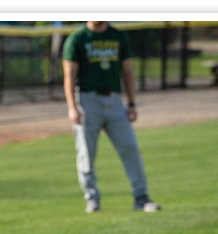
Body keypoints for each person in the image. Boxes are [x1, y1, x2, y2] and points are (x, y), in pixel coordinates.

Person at [62, 21, 161, 213]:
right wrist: (72, 107)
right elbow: (69, 75)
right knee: (87, 153)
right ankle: (92, 198)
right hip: (87, 100)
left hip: (114, 100)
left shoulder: (118, 36)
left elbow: (128, 70)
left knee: (130, 147)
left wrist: (131, 103)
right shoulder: (77, 39)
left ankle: (141, 197)